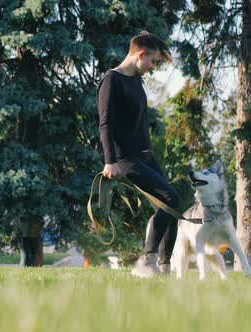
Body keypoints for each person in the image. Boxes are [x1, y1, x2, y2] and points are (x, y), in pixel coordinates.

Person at [97, 31, 180, 278]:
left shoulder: (135, 79)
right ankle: (146, 262)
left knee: (173, 206)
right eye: (152, 61)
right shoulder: (112, 80)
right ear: (140, 54)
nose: (152, 67)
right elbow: (105, 124)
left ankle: (163, 268)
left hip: (145, 156)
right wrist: (110, 161)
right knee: (170, 198)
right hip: (126, 158)